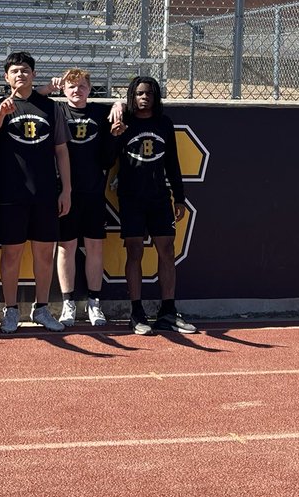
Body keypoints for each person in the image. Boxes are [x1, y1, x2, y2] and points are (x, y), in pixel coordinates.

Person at [0, 51, 71, 334]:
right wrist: (2, 111)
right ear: (6, 77)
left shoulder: (51, 107)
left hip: (45, 193)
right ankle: (10, 310)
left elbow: (61, 150)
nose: (20, 74)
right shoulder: (0, 105)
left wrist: (66, 190)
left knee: (44, 255)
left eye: (25, 70)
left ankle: (42, 307)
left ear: (34, 75)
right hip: (11, 193)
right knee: (11, 254)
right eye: (15, 71)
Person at [108, 76, 197, 336]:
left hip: (160, 198)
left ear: (155, 97)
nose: (143, 97)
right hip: (131, 197)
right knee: (134, 251)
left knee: (166, 250)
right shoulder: (123, 122)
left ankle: (167, 311)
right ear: (131, 96)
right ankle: (136, 313)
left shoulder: (164, 123)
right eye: (138, 93)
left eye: (148, 93)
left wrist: (178, 197)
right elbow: (105, 159)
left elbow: (173, 163)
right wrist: (115, 138)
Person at [51, 68, 112, 327]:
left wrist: (119, 104)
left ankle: (94, 303)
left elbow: (124, 107)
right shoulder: (57, 111)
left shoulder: (100, 112)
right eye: (72, 86)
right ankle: (68, 303)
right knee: (67, 247)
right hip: (65, 192)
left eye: (82, 86)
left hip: (94, 191)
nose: (77, 91)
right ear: (64, 90)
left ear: (90, 88)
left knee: (95, 247)